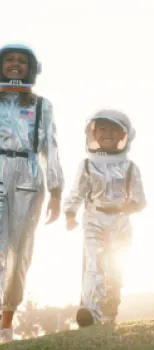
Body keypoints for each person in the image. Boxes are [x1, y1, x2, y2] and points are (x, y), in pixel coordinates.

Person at [0, 43, 64, 342]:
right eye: (9, 60)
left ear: (31, 68)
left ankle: (6, 323)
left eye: (21, 61)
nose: (15, 64)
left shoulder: (41, 105)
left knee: (19, 251)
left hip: (28, 174)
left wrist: (56, 190)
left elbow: (50, 148)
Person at [64, 109, 146, 327]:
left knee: (115, 269)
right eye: (102, 128)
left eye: (113, 129)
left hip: (120, 222)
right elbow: (77, 192)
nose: (107, 133)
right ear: (93, 133)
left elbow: (140, 199)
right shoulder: (87, 165)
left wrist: (131, 206)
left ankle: (110, 312)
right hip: (94, 220)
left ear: (123, 136)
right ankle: (90, 311)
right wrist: (70, 214)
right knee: (93, 263)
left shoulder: (130, 167)